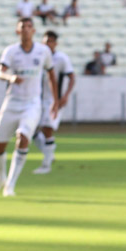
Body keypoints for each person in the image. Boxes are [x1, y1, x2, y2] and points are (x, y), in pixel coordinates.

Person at [0, 18, 58, 197]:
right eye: (22, 27)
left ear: (33, 31)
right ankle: (0, 178)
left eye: (29, 27)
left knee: (23, 137)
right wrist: (10, 77)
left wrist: (55, 100)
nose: (26, 30)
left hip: (32, 103)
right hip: (12, 102)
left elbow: (51, 74)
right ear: (17, 31)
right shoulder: (11, 51)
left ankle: (10, 185)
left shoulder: (43, 52)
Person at [32, 30, 75, 175]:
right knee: (31, 130)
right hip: (38, 98)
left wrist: (66, 96)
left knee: (47, 128)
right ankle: (49, 153)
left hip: (54, 100)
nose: (47, 44)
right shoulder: (38, 57)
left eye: (50, 41)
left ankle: (46, 164)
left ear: (55, 43)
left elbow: (72, 77)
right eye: (45, 42)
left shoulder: (61, 58)